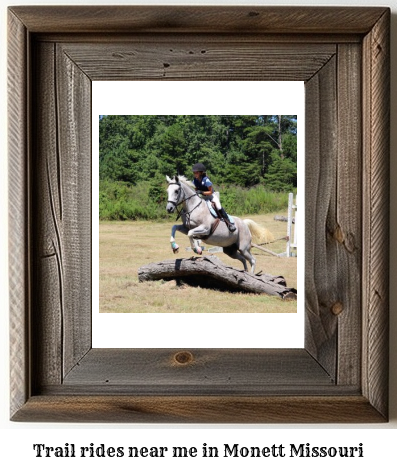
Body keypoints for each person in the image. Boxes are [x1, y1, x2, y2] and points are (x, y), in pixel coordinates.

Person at [192, 163, 236, 232]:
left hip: (211, 196)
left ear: (201, 173)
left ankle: (229, 223)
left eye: (196, 172)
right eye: (194, 173)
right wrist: (197, 192)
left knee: (218, 207)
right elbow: (196, 189)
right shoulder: (195, 180)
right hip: (203, 197)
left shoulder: (206, 180)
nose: (195, 174)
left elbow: (210, 192)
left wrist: (202, 192)